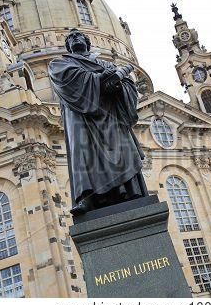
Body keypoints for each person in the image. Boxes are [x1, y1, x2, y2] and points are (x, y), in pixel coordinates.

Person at [48, 29, 148, 215]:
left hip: (110, 115)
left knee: (122, 151)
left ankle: (129, 191)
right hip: (81, 116)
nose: (75, 38)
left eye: (79, 36)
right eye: (71, 38)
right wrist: (103, 78)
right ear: (68, 46)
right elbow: (69, 81)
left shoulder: (104, 63)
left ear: (88, 42)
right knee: (83, 154)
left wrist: (118, 85)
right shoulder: (60, 63)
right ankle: (87, 198)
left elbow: (127, 84)